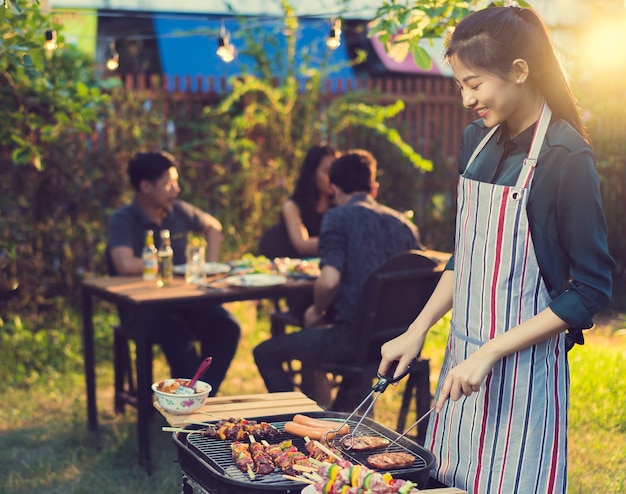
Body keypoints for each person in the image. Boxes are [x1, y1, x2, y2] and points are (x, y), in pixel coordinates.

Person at [377, 6, 614, 493]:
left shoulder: (565, 156)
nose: (465, 98)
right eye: (459, 85)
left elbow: (590, 291)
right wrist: (415, 331)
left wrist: (491, 351)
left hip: (524, 375)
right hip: (461, 368)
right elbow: (465, 255)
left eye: (474, 83)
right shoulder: (475, 142)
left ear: (520, 71)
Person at [254, 149, 422, 405]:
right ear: (373, 188)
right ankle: (334, 418)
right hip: (397, 341)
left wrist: (316, 310)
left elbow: (329, 280)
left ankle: (301, 419)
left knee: (265, 352)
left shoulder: (337, 218)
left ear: (333, 188)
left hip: (353, 340)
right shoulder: (404, 226)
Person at [107, 151, 241, 396]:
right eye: (168, 184)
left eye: (176, 182)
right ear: (145, 186)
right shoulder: (123, 219)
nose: (176, 189)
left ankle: (200, 395)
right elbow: (125, 264)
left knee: (227, 327)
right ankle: (188, 400)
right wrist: (167, 262)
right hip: (144, 307)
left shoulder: (177, 211)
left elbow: (213, 227)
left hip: (185, 301)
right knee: (177, 337)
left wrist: (208, 266)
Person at [258, 143, 338, 320]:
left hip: (332, 280)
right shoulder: (293, 206)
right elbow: (302, 244)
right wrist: (340, 241)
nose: (333, 179)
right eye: (327, 172)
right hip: (302, 287)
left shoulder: (340, 206)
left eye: (336, 172)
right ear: (312, 174)